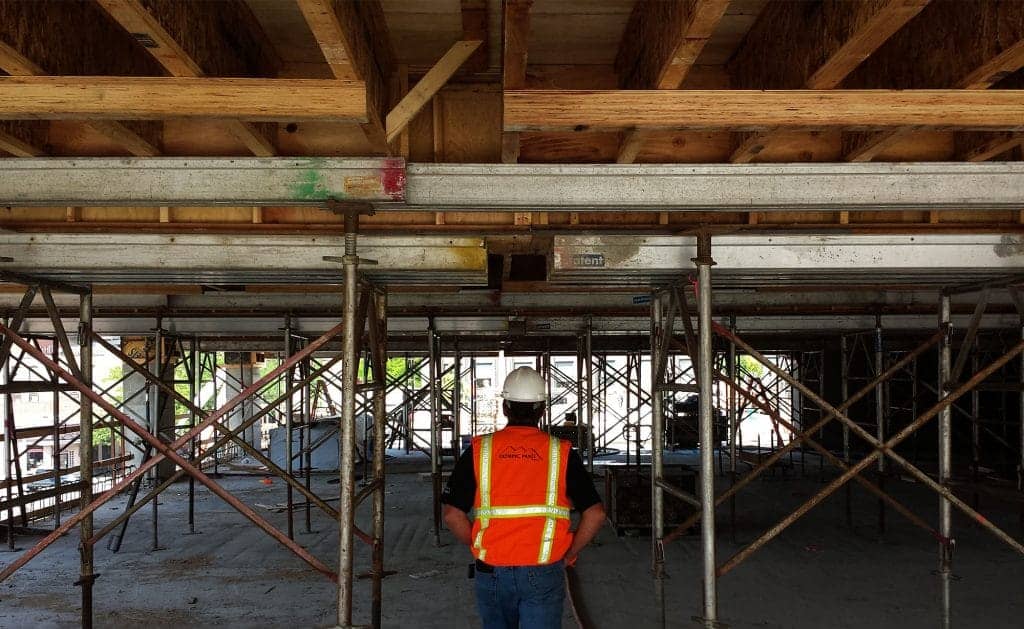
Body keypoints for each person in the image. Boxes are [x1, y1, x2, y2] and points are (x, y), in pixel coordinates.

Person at [442, 366, 606, 629]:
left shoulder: (479, 451)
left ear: (505, 407)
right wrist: (569, 553)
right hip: (543, 570)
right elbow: (595, 514)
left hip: (491, 568)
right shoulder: (561, 454)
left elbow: (452, 515)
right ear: (542, 410)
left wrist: (479, 545)